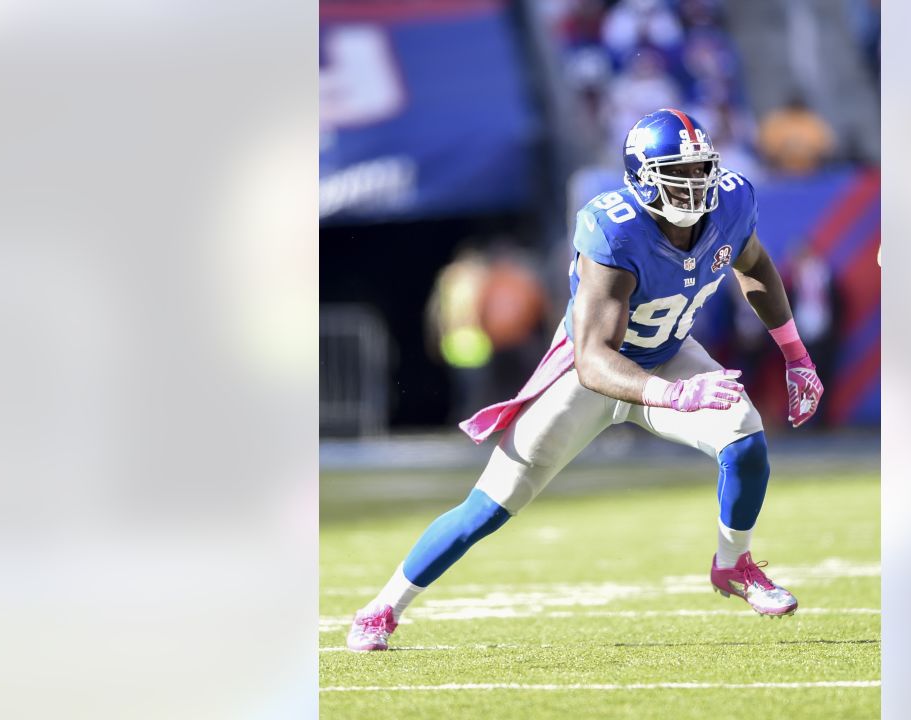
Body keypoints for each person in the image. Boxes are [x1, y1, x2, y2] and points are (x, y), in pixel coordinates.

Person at [347, 108, 825, 651]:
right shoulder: (614, 229)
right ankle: (383, 606)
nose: (695, 187)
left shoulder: (733, 202)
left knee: (744, 432)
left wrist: (796, 355)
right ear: (642, 178)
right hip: (589, 374)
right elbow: (594, 357)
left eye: (700, 170)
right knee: (489, 505)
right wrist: (673, 395)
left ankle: (733, 563)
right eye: (678, 173)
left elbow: (755, 263)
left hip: (669, 354)